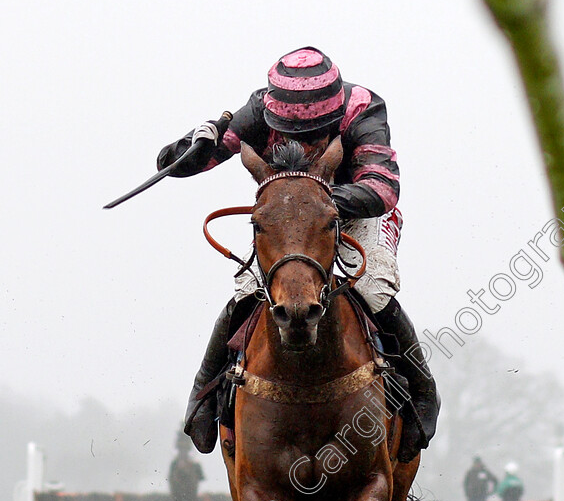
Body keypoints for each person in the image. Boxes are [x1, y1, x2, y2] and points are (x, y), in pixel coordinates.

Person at [157, 46, 440, 457]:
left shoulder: (362, 108)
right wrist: (195, 145)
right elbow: (176, 164)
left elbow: (383, 187)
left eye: (313, 135)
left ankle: (422, 389)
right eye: (292, 134)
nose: (303, 142)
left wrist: (317, 204)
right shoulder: (257, 108)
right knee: (249, 289)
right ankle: (202, 394)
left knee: (374, 287)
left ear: (334, 115)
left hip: (355, 210)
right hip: (288, 217)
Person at [168, 431, 204, 501]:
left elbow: (191, 445)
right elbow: (177, 445)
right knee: (174, 465)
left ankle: (200, 475)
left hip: (187, 454)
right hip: (181, 454)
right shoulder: (180, 435)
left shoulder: (189, 434)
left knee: (196, 464)